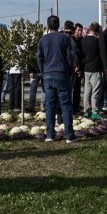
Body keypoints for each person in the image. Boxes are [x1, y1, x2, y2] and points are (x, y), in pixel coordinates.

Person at [36, 15, 77, 143]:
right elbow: (70, 57)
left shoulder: (43, 40)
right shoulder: (65, 39)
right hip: (62, 73)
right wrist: (70, 72)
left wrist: (43, 72)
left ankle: (50, 134)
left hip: (48, 74)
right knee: (65, 105)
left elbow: (39, 58)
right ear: (58, 25)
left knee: (50, 105)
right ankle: (69, 135)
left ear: (48, 25)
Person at [80, 22, 104, 119]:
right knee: (95, 91)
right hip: (96, 68)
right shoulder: (97, 41)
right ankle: (95, 112)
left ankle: (86, 111)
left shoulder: (83, 40)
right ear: (98, 30)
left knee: (87, 91)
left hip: (86, 68)